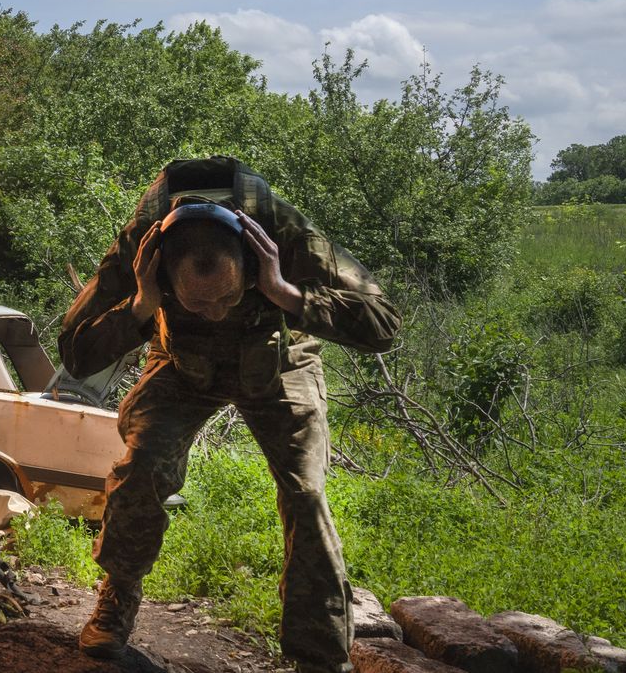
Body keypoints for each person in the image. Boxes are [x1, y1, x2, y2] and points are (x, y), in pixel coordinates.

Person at [59, 156, 400, 671]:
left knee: (305, 493)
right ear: (164, 272)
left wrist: (284, 292)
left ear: (250, 259)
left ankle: (321, 656)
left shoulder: (281, 230)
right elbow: (76, 350)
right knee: (144, 464)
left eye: (225, 297)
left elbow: (384, 323)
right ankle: (116, 602)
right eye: (197, 303)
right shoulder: (141, 245)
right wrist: (140, 307)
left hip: (278, 357)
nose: (215, 311)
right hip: (182, 361)